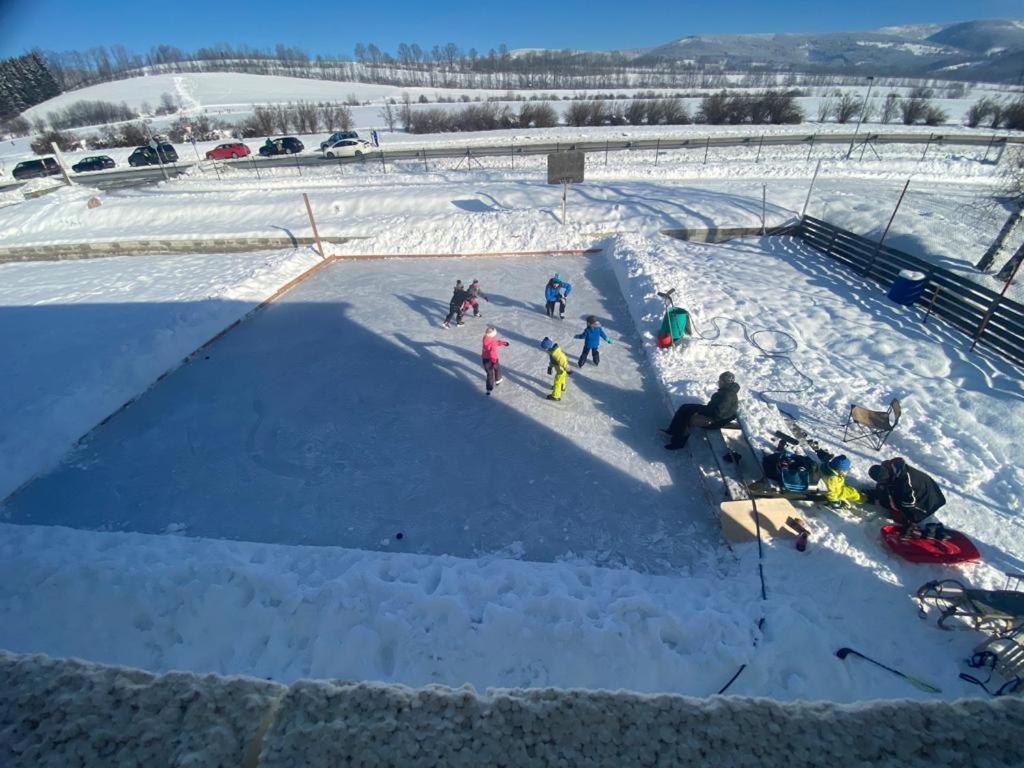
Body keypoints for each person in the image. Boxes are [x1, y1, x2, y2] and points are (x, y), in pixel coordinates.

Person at [663, 371, 740, 451]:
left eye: (721, 381)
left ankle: (678, 443)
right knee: (685, 407)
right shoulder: (726, 391)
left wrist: (702, 412)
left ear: (725, 383)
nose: (718, 382)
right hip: (711, 412)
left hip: (714, 421)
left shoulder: (727, 395)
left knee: (689, 417)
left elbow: (718, 414)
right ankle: (672, 431)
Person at [868, 458, 946, 528]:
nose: (883, 480)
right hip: (920, 493)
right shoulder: (893, 472)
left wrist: (906, 519)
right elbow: (886, 486)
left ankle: (926, 525)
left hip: (930, 501)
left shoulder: (904, 481)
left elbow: (908, 504)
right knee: (890, 498)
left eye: (883, 478)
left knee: (904, 510)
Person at [481, 326, 509, 396]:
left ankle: (489, 388)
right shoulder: (492, 341)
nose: (495, 335)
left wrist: (502, 343)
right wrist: (493, 360)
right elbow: (492, 351)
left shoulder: (485, 338)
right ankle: (498, 380)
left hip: (485, 359)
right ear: (491, 334)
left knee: (489, 374)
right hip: (492, 359)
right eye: (495, 334)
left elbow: (495, 342)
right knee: (497, 368)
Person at [541, 337, 571, 401]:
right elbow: (553, 361)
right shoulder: (553, 351)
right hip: (562, 369)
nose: (545, 350)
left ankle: (556, 396)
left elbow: (562, 360)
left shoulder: (556, 353)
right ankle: (562, 387)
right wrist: (550, 367)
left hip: (561, 369)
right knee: (562, 379)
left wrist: (567, 368)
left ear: (548, 347)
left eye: (545, 348)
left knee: (557, 382)